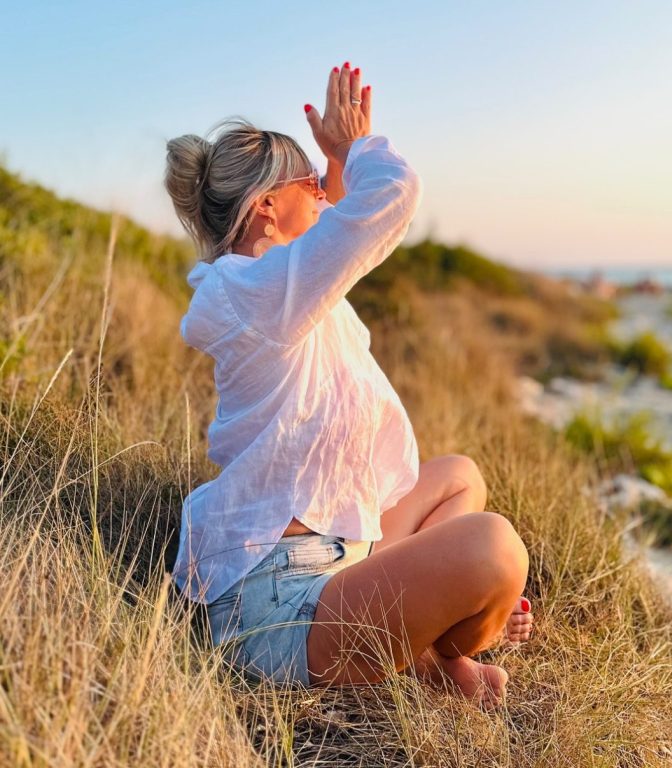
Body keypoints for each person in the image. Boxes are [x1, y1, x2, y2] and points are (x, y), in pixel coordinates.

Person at [164, 62, 533, 710]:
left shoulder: (285, 292)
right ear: (267, 209)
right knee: (495, 549)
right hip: (282, 607)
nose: (323, 189)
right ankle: (445, 650)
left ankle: (435, 650)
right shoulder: (252, 292)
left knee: (458, 477)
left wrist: (330, 167)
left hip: (337, 557)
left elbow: (336, 228)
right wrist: (355, 148)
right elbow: (388, 199)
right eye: (308, 181)